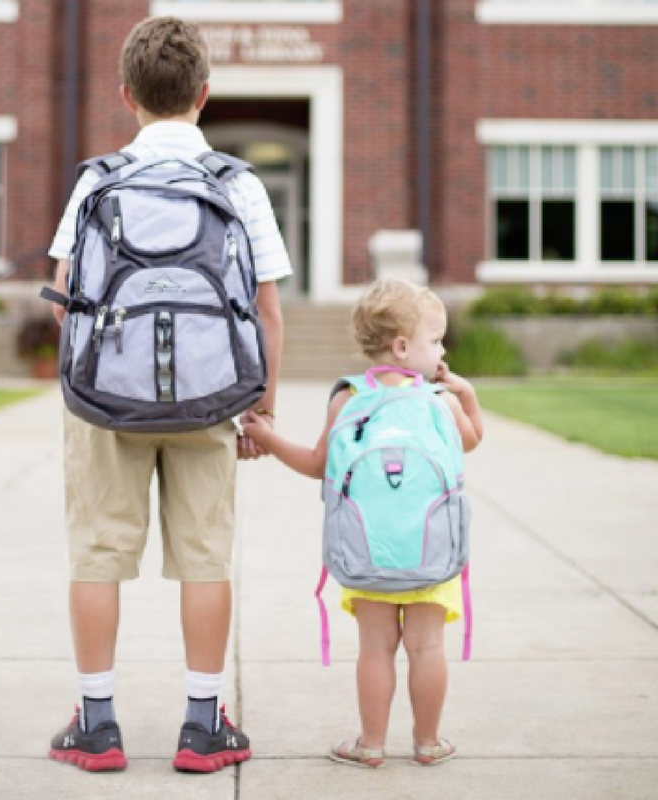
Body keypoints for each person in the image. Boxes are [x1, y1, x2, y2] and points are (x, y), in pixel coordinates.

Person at [46, 16, 290, 773]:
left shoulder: (97, 180)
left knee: (97, 555)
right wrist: (262, 409)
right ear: (205, 95)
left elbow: (63, 294)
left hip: (105, 402)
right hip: (211, 400)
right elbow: (267, 308)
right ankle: (202, 726)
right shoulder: (237, 185)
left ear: (127, 96)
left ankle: (96, 725)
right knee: (205, 559)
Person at [242, 279, 483, 770]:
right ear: (402, 346)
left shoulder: (347, 398)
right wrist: (468, 396)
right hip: (431, 552)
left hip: (368, 549)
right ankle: (427, 743)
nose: (441, 350)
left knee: (375, 648)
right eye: (435, 339)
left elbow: (315, 463)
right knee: (427, 647)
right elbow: (472, 442)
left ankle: (371, 744)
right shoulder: (441, 400)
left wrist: (268, 437)